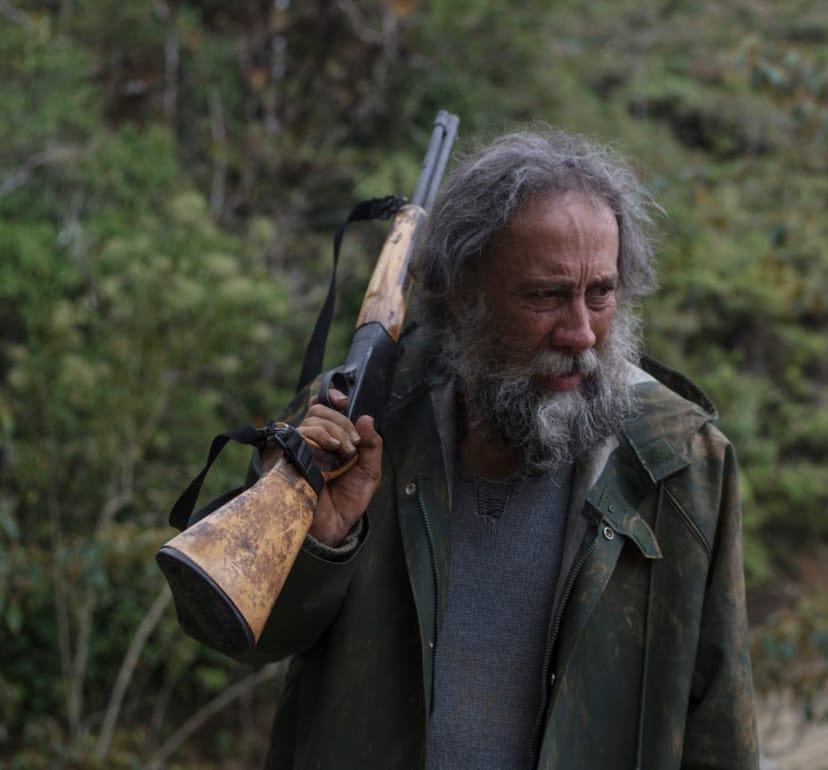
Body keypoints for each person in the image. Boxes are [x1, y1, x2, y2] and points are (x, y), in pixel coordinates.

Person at [222, 130, 758, 769]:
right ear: (462, 295)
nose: (581, 332)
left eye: (601, 293)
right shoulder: (353, 421)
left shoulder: (682, 461)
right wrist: (320, 544)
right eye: (545, 295)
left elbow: (719, 731)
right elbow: (235, 632)